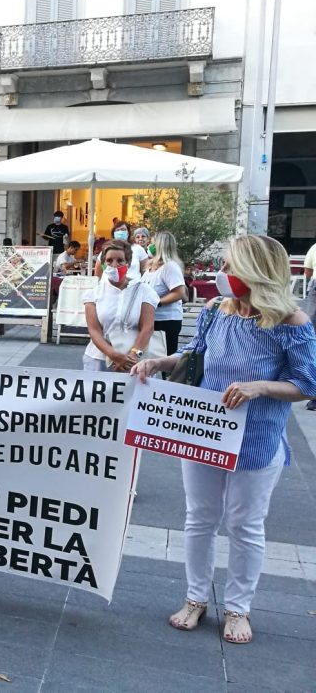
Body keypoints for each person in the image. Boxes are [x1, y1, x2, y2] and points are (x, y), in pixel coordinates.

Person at [132, 234, 316, 645]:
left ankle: (238, 607)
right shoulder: (216, 310)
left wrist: (260, 388)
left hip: (255, 440)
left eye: (232, 266)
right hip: (202, 432)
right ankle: (196, 598)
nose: (224, 274)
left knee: (245, 524)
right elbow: (195, 354)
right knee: (199, 518)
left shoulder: (291, 322)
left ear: (258, 273)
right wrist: (159, 362)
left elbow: (307, 384)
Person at [82, 240, 158, 372]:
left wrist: (132, 355)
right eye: (109, 260)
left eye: (120, 260)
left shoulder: (144, 291)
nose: (114, 265)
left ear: (128, 263)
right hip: (99, 360)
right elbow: (94, 331)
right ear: (104, 264)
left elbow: (147, 327)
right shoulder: (93, 294)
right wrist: (113, 355)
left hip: (134, 362)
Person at [142, 230, 186, 357]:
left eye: (153, 242)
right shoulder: (150, 267)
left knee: (163, 357)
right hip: (151, 319)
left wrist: (157, 303)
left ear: (161, 245)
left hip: (166, 321)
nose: (149, 245)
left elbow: (179, 293)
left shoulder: (170, 267)